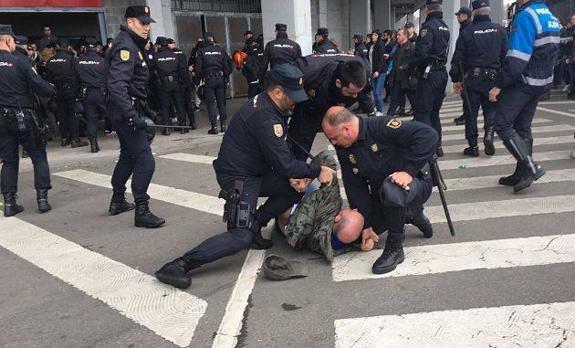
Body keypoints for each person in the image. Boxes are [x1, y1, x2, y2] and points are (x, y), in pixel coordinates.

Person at [154, 64, 336, 289]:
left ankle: (256, 223)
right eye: (292, 96)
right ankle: (179, 264)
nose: (296, 101)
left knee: (292, 190)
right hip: (238, 177)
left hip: (255, 171)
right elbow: (285, 164)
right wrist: (317, 171)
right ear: (277, 92)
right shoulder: (265, 116)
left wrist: (293, 176)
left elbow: (279, 151)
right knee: (241, 237)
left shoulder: (269, 105)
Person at [322, 106, 437, 275]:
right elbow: (355, 186)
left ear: (346, 129)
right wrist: (366, 224)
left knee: (391, 188)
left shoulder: (380, 126)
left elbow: (428, 135)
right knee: (355, 233)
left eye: (334, 138)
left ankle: (395, 248)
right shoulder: (344, 147)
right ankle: (410, 215)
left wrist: (408, 171)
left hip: (413, 184)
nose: (333, 143)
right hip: (382, 195)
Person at [489, 0, 560, 193]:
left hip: (523, 81)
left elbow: (516, 58)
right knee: (522, 127)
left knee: (502, 124)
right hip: (541, 81)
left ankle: (530, 166)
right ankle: (522, 172)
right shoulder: (550, 16)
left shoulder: (526, 16)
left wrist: (499, 85)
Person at [106, 5, 165, 228]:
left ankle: (118, 200)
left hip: (127, 109)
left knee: (128, 156)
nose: (146, 27)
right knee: (145, 160)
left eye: (148, 23)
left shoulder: (130, 44)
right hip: (125, 111)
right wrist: (132, 116)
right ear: (130, 22)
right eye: (142, 23)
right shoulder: (126, 46)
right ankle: (142, 209)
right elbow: (117, 85)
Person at [277, 151, 376, 261]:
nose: (355, 209)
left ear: (337, 218)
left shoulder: (330, 204)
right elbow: (350, 236)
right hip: (289, 228)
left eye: (353, 211)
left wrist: (307, 180)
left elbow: (326, 158)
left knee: (302, 179)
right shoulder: (334, 244)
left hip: (289, 206)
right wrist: (363, 243)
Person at [0, 24, 57, 216]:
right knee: (38, 156)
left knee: (9, 160)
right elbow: (40, 86)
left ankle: (9, 204)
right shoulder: (20, 62)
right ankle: (42, 200)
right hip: (23, 115)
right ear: (8, 40)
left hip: (1, 118)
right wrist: (52, 90)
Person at [289, 54, 375, 161]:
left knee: (346, 140)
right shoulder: (307, 70)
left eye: (357, 92)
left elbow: (365, 94)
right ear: (338, 83)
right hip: (311, 105)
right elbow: (280, 84)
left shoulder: (362, 72)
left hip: (337, 107)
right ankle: (296, 172)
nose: (355, 96)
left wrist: (372, 117)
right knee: (299, 142)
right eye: (351, 92)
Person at [450, 0, 507, 157]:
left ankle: (473, 146)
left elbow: (458, 58)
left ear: (473, 12)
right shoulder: (500, 30)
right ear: (488, 11)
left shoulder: (468, 31)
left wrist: (455, 79)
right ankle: (489, 133)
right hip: (493, 77)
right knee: (491, 109)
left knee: (470, 113)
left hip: (472, 78)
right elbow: (505, 56)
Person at [411, 0, 450, 157]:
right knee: (434, 112)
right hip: (441, 73)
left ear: (427, 9)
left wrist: (412, 66)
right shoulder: (445, 26)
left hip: (429, 74)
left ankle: (429, 148)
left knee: (423, 112)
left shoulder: (428, 27)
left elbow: (421, 53)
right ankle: (437, 145)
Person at [45, 39, 88, 148]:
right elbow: (78, 75)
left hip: (57, 91)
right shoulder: (71, 59)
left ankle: (64, 138)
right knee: (72, 114)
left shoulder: (50, 61)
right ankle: (75, 139)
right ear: (67, 47)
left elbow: (48, 77)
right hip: (70, 90)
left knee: (62, 115)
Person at [195, 32, 233, 134]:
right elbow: (228, 64)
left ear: (204, 41)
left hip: (209, 80)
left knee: (211, 104)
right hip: (220, 79)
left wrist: (196, 82)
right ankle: (223, 126)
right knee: (221, 103)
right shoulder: (220, 50)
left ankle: (214, 127)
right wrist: (226, 77)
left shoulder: (201, 52)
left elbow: (198, 69)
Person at [153, 37, 190, 135]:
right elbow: (182, 70)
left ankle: (167, 129)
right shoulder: (174, 55)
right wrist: (185, 83)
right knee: (179, 105)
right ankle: (183, 127)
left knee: (164, 106)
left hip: (163, 83)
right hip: (176, 82)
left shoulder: (156, 57)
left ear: (159, 45)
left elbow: (153, 72)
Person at [76, 37, 107, 153]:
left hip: (86, 94)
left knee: (91, 120)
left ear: (85, 47)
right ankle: (124, 142)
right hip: (101, 93)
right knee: (113, 116)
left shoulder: (79, 61)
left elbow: (76, 78)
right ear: (97, 47)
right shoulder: (102, 61)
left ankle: (93, 145)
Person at [386, 28, 417, 118]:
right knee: (394, 101)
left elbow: (415, 63)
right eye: (397, 35)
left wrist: (405, 67)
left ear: (405, 36)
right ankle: (386, 121)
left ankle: (418, 121)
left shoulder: (412, 47)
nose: (397, 36)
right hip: (397, 79)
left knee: (414, 102)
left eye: (399, 35)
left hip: (407, 79)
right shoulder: (397, 48)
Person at [453, 6, 473, 126]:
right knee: (465, 95)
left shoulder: (467, 30)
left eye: (459, 15)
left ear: (465, 16)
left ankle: (467, 116)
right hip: (467, 68)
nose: (457, 17)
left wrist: (455, 75)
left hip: (467, 68)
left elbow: (460, 53)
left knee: (467, 95)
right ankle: (466, 114)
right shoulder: (465, 28)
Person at [242, 35, 266, 99]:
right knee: (262, 98)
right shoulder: (264, 53)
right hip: (262, 78)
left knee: (252, 99)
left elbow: (247, 67)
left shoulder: (249, 54)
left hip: (253, 79)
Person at [370, 29, 387, 114]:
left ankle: (380, 110)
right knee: (374, 92)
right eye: (373, 35)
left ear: (379, 36)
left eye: (375, 35)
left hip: (380, 72)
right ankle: (377, 108)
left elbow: (382, 59)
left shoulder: (380, 45)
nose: (373, 36)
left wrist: (378, 71)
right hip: (374, 71)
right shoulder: (373, 45)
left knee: (377, 92)